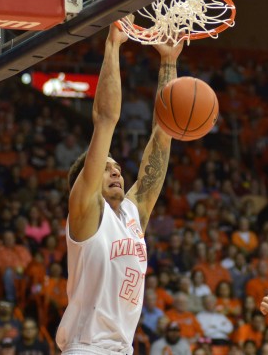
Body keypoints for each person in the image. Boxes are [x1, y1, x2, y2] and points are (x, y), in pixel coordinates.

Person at [55, 22, 184, 354]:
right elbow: (105, 120)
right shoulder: (84, 211)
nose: (115, 172)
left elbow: (162, 136)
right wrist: (112, 46)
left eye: (117, 167)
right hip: (86, 347)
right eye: (105, 168)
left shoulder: (131, 213)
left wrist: (168, 62)